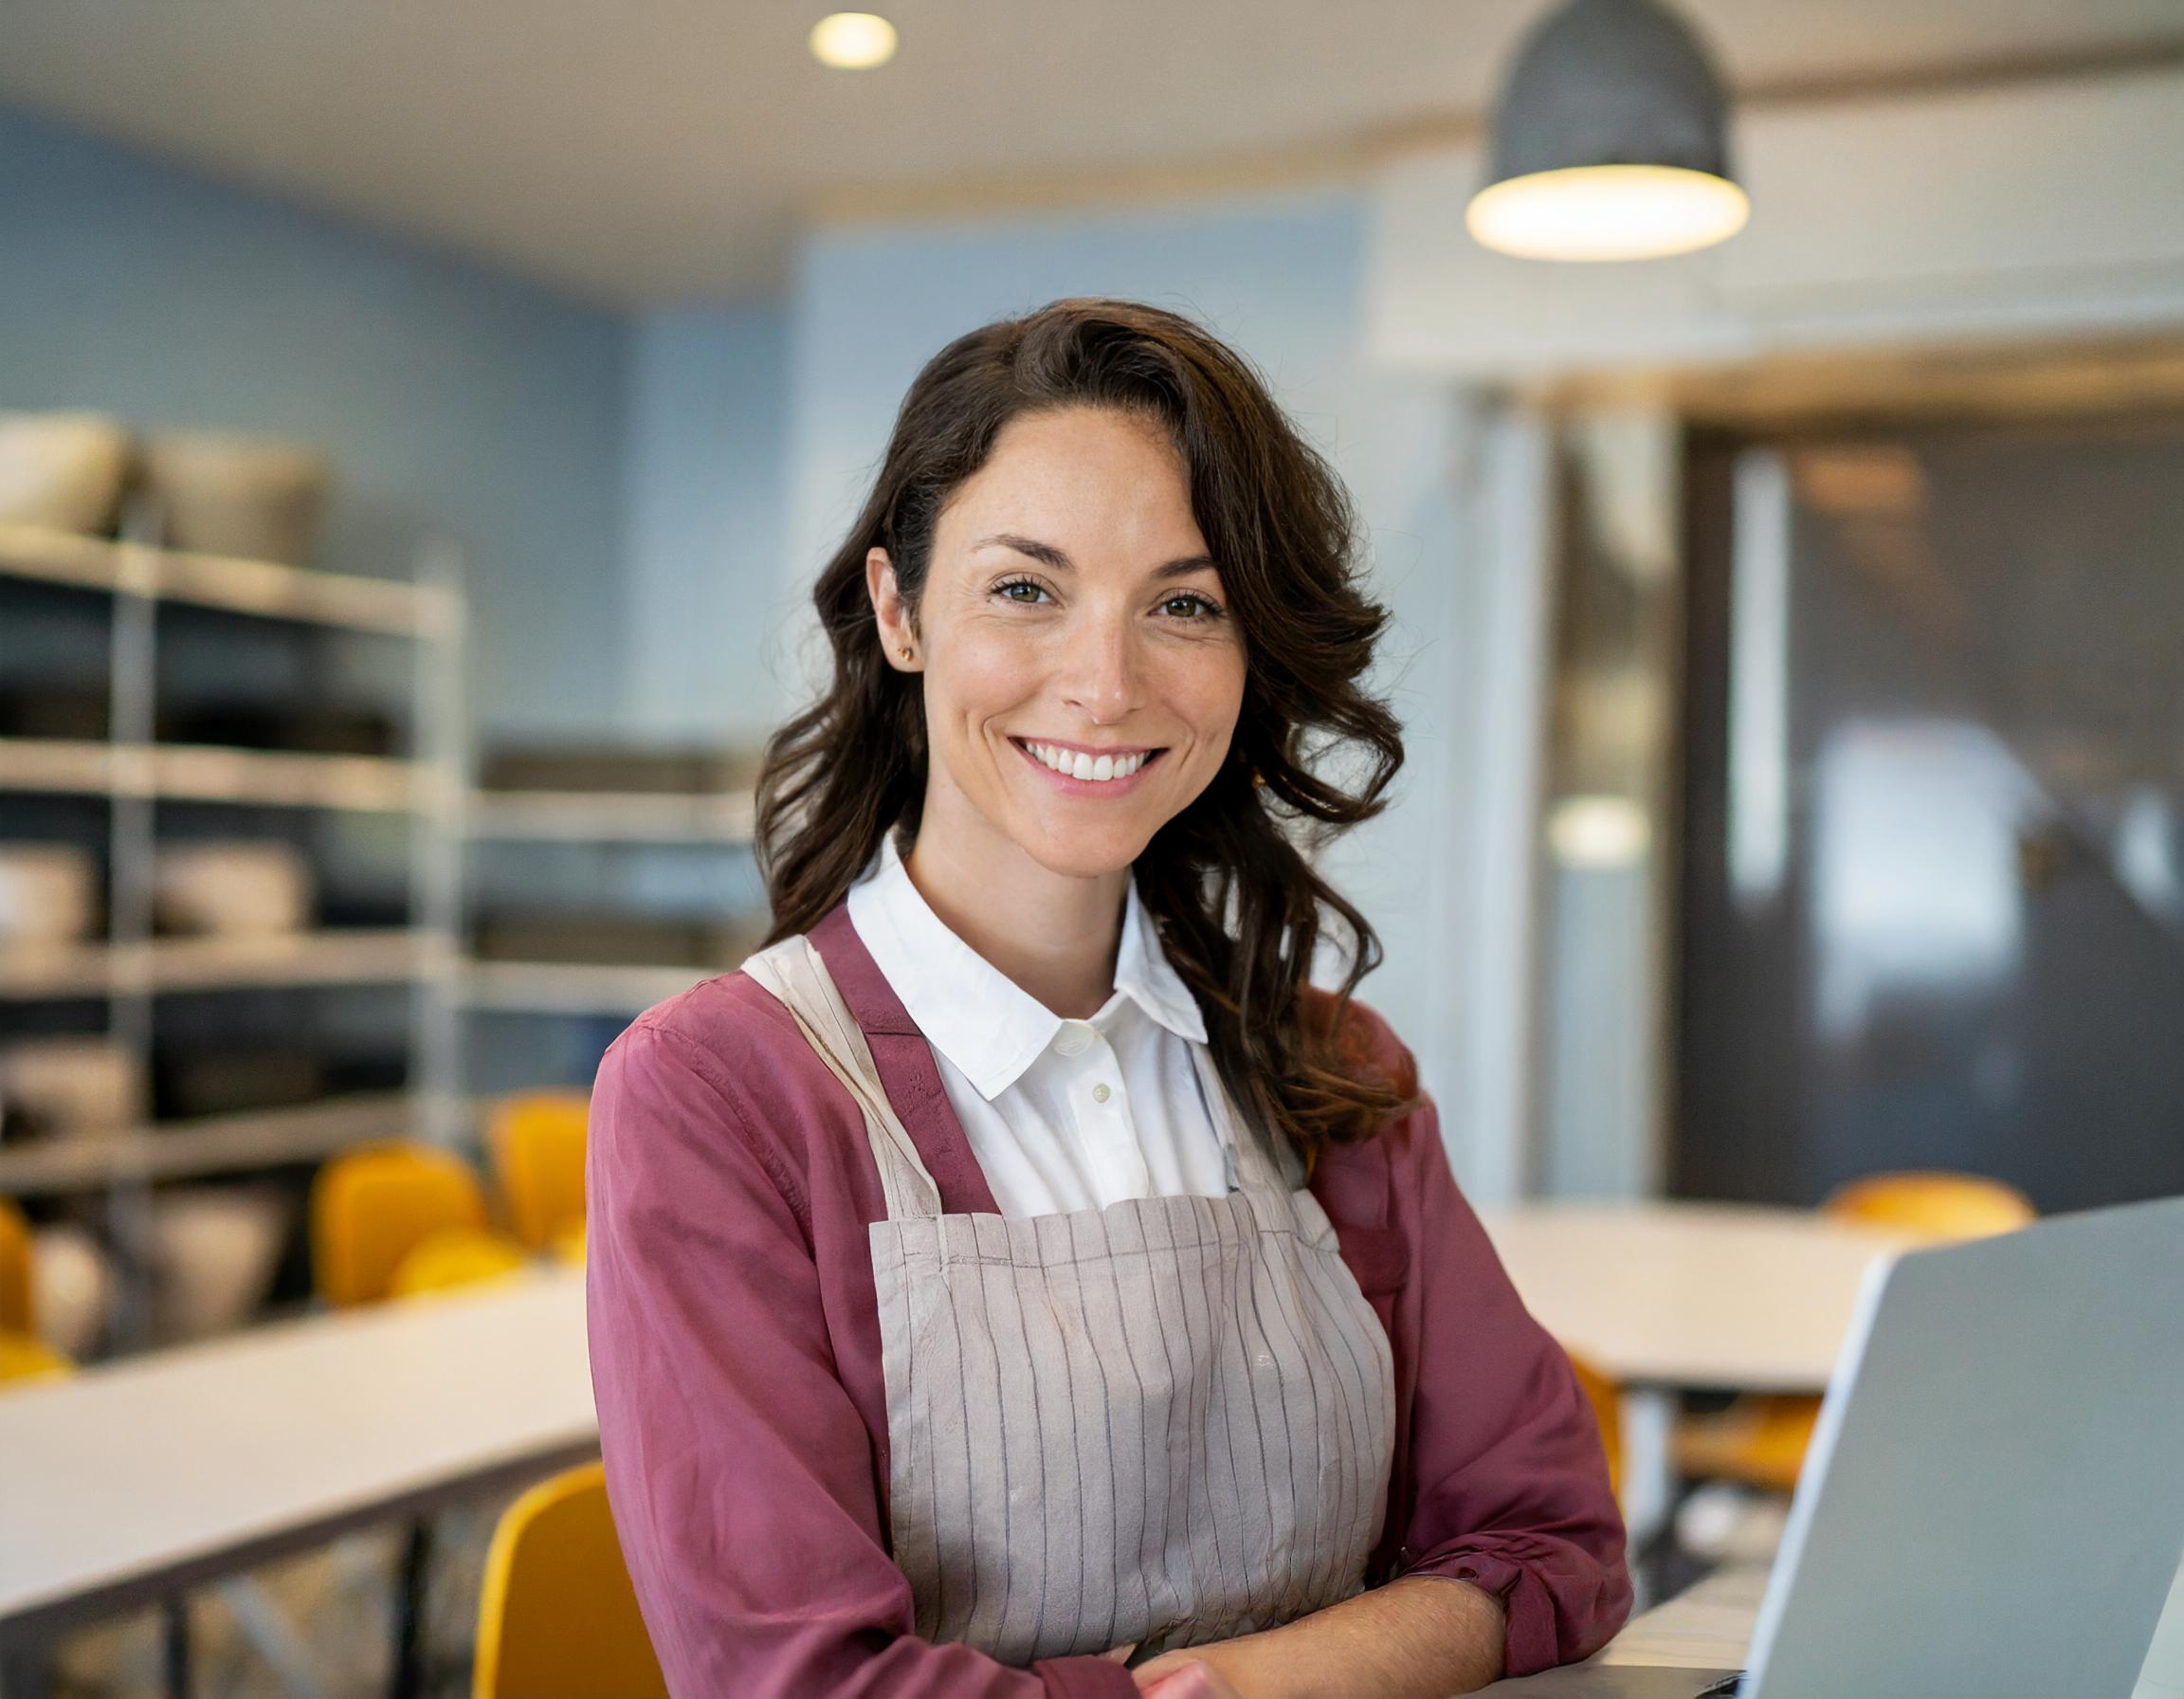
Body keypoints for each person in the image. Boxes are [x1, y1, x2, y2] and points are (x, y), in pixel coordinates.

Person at [586, 298, 1630, 1699]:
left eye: (1184, 606)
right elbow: (803, 1684)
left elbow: (1556, 1546)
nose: (1105, 682)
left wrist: (1232, 1691)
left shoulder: (1334, 1076)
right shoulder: (719, 1096)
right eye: (1027, 589)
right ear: (902, 614)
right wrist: (1349, 1657)